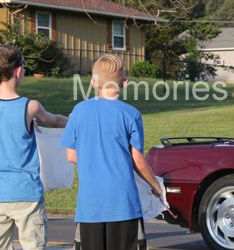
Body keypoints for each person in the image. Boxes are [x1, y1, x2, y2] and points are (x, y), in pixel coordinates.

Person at [60, 54, 163, 250]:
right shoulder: (131, 114)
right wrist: (155, 185)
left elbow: (71, 155)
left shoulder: (79, 111)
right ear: (124, 83)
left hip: (90, 207)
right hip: (124, 205)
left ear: (92, 83)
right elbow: (138, 161)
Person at [0, 45, 68, 250]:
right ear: (18, 71)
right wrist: (76, 121)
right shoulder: (30, 107)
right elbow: (55, 121)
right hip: (26, 193)